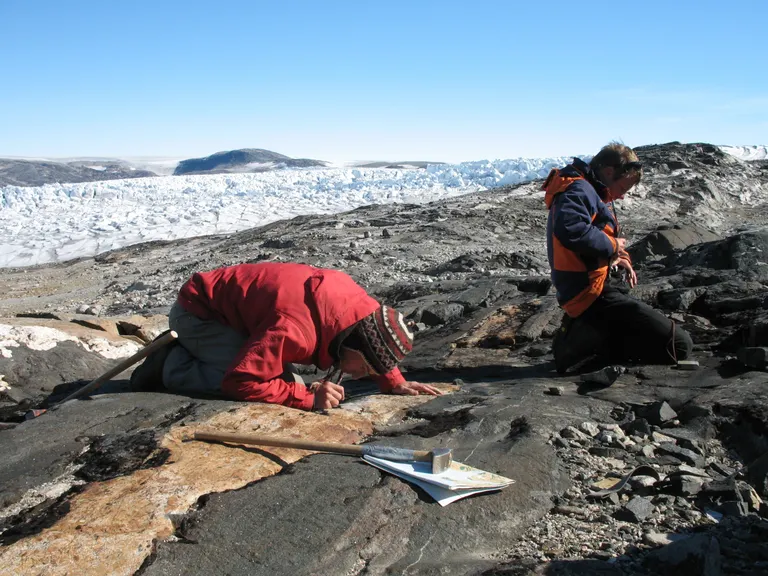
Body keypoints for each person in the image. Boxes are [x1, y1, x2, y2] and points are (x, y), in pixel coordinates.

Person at [130, 262, 441, 409]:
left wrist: (395, 382)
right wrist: (305, 398)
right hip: (198, 314)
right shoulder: (295, 331)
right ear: (353, 347)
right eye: (365, 368)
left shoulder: (364, 313)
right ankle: (173, 362)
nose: (361, 376)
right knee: (286, 384)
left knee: (281, 375)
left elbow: (375, 341)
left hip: (241, 317)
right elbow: (240, 381)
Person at [543, 142, 693, 373]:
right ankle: (587, 344)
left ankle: (588, 335)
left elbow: (602, 235)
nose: (622, 196)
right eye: (623, 188)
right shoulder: (579, 190)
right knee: (678, 345)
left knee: (668, 339)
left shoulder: (592, 190)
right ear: (610, 172)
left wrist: (619, 257)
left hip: (597, 285)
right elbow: (571, 230)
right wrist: (613, 247)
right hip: (590, 292)